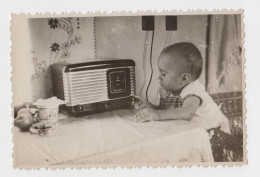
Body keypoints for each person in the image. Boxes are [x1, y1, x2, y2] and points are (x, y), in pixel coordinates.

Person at [134, 42, 230, 134]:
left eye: (163, 74)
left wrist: (157, 115)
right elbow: (164, 111)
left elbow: (187, 113)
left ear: (183, 78)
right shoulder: (165, 90)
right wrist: (149, 107)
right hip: (196, 131)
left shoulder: (193, 90)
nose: (158, 77)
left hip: (216, 131)